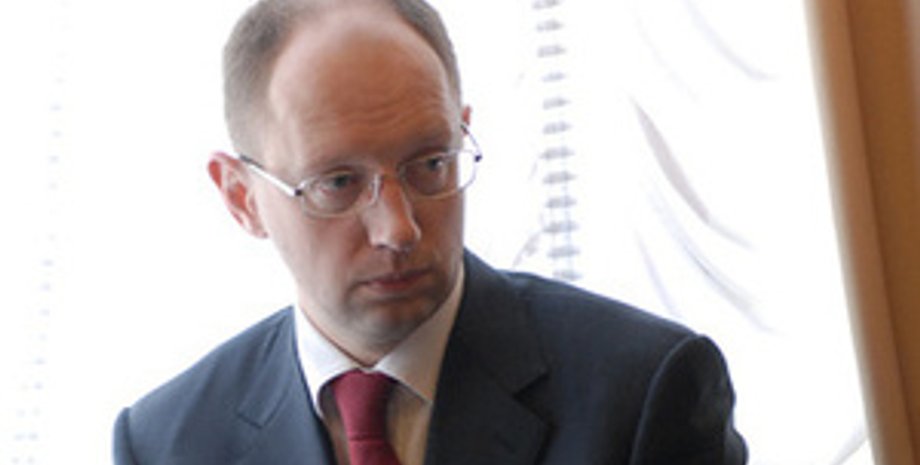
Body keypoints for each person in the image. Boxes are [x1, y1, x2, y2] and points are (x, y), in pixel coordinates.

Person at [113, 0, 747, 463]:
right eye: (339, 183)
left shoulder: (642, 392)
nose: (399, 228)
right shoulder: (166, 443)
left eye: (431, 164)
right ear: (241, 197)